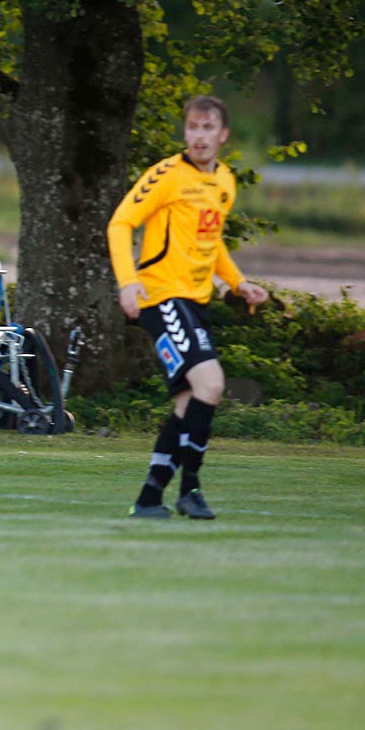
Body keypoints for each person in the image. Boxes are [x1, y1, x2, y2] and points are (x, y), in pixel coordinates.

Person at [108, 94, 268, 520]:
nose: (199, 137)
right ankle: (190, 490)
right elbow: (120, 222)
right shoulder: (166, 175)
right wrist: (129, 283)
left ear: (223, 134)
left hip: (195, 304)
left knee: (189, 402)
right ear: (185, 133)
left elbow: (210, 244)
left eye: (207, 128)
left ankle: (148, 498)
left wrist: (238, 282)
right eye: (192, 128)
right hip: (161, 298)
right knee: (211, 384)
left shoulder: (225, 183)